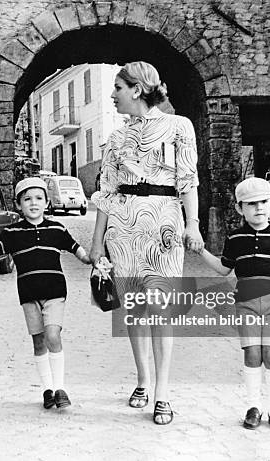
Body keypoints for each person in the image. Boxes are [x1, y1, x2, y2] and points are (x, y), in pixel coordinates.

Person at [89, 61, 204, 425]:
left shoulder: (178, 127)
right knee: (135, 311)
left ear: (137, 89)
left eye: (118, 88)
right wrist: (96, 245)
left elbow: (188, 180)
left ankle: (163, 394)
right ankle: (142, 379)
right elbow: (106, 192)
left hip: (163, 226)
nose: (112, 95)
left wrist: (194, 224)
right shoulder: (116, 138)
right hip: (123, 231)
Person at [197, 176, 270, 430]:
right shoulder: (235, 238)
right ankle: (254, 406)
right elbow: (224, 269)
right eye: (252, 203)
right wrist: (200, 251)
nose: (259, 207)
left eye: (264, 202)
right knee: (252, 353)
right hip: (246, 303)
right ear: (240, 208)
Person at [0, 177, 91, 409]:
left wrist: (91, 259)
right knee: (38, 342)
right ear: (18, 205)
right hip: (28, 294)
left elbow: (77, 249)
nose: (33, 203)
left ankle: (60, 388)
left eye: (38, 198)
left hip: (56, 291)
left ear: (47, 202)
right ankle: (47, 390)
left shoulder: (56, 228)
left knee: (53, 336)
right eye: (27, 199)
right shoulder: (13, 231)